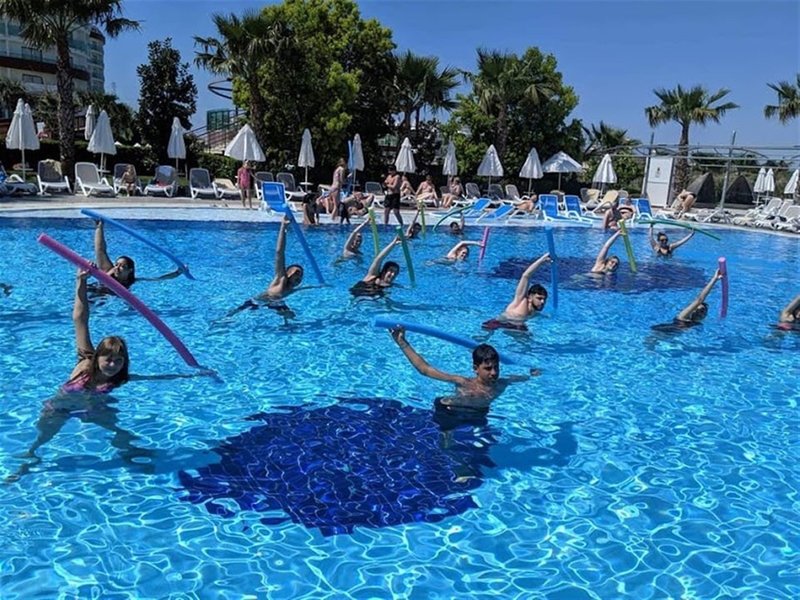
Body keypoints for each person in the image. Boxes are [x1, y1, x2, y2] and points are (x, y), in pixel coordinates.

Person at [389, 327, 537, 410]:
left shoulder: (502, 383)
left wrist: (533, 374)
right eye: (488, 368)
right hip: (450, 412)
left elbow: (522, 377)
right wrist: (401, 342)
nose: (494, 373)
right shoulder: (464, 382)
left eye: (496, 367)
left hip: (479, 414)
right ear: (476, 368)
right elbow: (424, 370)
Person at [92, 220, 181, 291]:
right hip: (94, 293)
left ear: (130, 270)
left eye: (122, 266)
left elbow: (159, 279)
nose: (117, 268)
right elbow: (100, 250)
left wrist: (178, 272)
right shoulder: (107, 271)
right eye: (116, 264)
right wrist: (99, 227)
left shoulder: (131, 281)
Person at [483, 253, 550, 331]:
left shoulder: (534, 311)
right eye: (539, 298)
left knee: (527, 334)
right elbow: (526, 276)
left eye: (544, 299)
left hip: (517, 327)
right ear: (530, 297)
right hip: (499, 323)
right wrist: (542, 260)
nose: (542, 302)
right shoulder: (521, 300)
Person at [654, 269, 723, 331]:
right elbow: (699, 299)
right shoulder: (682, 317)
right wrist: (714, 279)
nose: (698, 312)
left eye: (702, 311)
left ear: (705, 315)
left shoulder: (695, 324)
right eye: (696, 309)